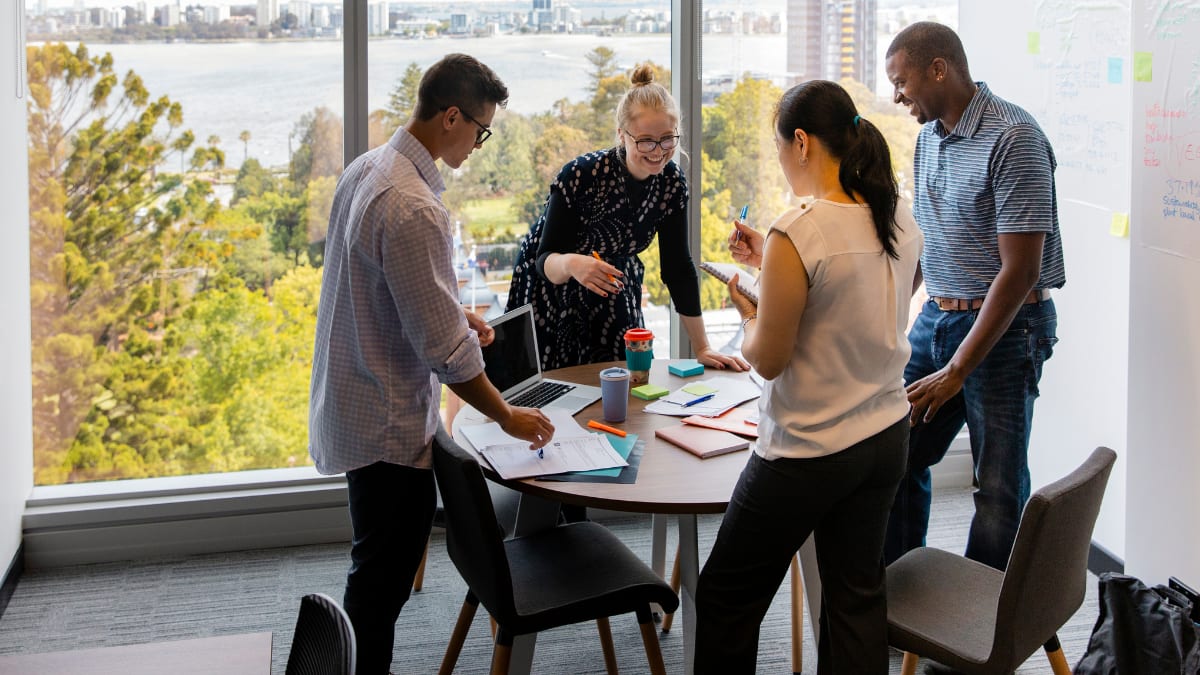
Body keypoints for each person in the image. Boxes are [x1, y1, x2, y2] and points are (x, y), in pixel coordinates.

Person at [308, 54, 555, 675]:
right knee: (380, 587)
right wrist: (507, 417)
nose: (479, 143)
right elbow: (446, 354)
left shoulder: (369, 169)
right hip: (389, 425)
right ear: (451, 118)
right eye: (480, 130)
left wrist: (453, 315)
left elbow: (380, 291)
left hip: (352, 399)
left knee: (374, 574)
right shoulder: (415, 207)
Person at [695, 80, 923, 674]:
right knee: (855, 598)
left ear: (801, 142)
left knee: (726, 598)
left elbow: (767, 358)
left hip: (808, 451)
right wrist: (771, 270)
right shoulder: (896, 214)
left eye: (778, 149)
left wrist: (751, 310)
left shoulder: (799, 230)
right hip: (883, 435)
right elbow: (868, 299)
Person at [882, 22, 1066, 574]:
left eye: (902, 81)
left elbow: (1020, 270)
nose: (897, 96)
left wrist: (959, 369)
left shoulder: (1015, 138)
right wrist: (886, 314)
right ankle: (900, 597)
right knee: (895, 452)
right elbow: (928, 240)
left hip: (1010, 330)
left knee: (998, 485)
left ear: (938, 68)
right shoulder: (928, 137)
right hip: (938, 317)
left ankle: (977, 636)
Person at [506, 64, 748, 374]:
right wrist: (572, 264)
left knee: (624, 379)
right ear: (622, 134)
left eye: (667, 139)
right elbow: (544, 258)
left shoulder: (671, 183)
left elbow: (678, 269)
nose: (658, 151)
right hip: (553, 286)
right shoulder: (580, 175)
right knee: (558, 389)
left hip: (613, 283)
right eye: (645, 141)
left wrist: (702, 347)